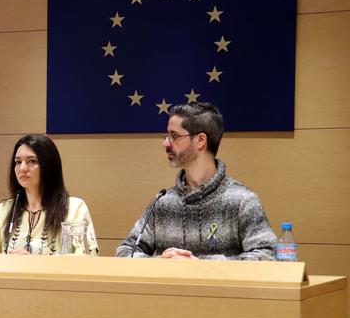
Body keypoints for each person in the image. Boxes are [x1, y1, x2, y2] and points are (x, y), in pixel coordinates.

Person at [116, 102, 276, 260]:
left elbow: (267, 255)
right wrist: (160, 263)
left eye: (174, 136)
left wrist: (201, 266)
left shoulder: (242, 201)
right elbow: (125, 252)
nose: (165, 143)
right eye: (167, 136)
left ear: (200, 140)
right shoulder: (162, 202)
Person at [0, 134, 99, 255]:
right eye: (18, 162)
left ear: (48, 165)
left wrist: (34, 262)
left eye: (32, 161)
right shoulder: (4, 209)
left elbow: (86, 257)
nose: (22, 168)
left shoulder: (74, 208)